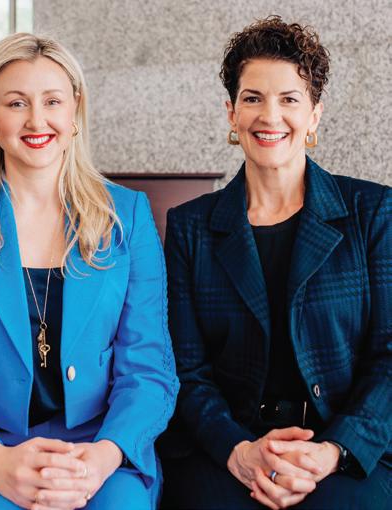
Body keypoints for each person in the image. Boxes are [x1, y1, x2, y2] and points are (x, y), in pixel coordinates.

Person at [0, 33, 178, 509]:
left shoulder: (126, 217)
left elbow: (149, 372)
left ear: (75, 111)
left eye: (52, 101)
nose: (36, 120)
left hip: (101, 449)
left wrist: (102, 458)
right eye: (16, 103)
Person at [159, 15, 391, 509]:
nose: (270, 116)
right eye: (252, 98)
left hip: (344, 448)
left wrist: (332, 452)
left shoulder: (373, 213)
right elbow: (185, 369)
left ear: (314, 115)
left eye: (289, 99)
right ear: (231, 113)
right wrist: (238, 451)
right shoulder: (190, 227)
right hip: (227, 446)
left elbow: (390, 357)